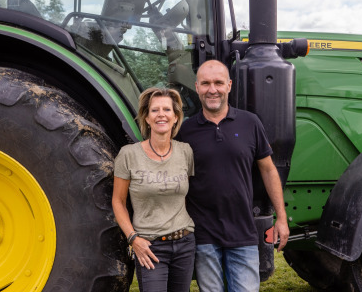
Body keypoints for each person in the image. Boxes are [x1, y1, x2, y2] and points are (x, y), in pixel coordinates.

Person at [176, 60, 290, 292]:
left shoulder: (250, 123)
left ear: (229, 85)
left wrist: (281, 217)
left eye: (218, 82)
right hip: (204, 234)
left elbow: (268, 170)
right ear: (197, 87)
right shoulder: (185, 130)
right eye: (206, 83)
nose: (212, 89)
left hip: (243, 231)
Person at [112, 87, 195, 292]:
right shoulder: (129, 154)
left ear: (175, 118)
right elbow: (118, 201)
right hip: (150, 246)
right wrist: (134, 239)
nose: (161, 115)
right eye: (154, 110)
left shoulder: (185, 151)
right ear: (147, 118)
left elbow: (185, 195)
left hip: (184, 242)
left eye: (167, 110)